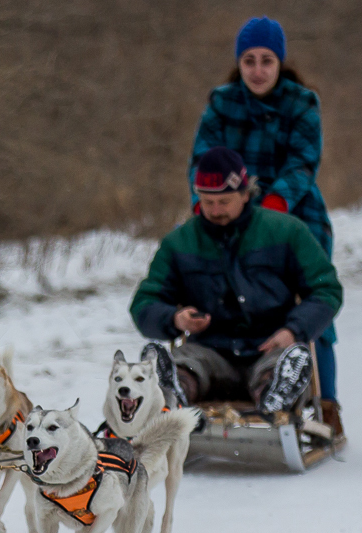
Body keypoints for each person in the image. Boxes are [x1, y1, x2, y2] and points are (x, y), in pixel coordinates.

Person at [189, 16, 343, 430]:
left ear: (280, 63)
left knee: (312, 302)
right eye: (249, 61)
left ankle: (327, 402)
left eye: (266, 61)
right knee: (219, 293)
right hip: (228, 212)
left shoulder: (302, 103)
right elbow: (203, 162)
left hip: (295, 212)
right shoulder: (222, 103)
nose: (257, 70)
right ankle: (216, 386)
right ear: (239, 63)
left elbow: (303, 163)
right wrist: (202, 203)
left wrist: (273, 204)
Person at [129, 147, 343, 416]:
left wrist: (294, 331)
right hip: (209, 353)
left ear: (245, 194)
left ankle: (275, 396)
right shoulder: (179, 243)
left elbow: (326, 289)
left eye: (224, 201)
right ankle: (172, 391)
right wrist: (175, 319)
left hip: (269, 347)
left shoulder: (287, 232)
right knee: (185, 365)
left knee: (282, 366)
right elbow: (144, 304)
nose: (215, 210)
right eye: (207, 202)